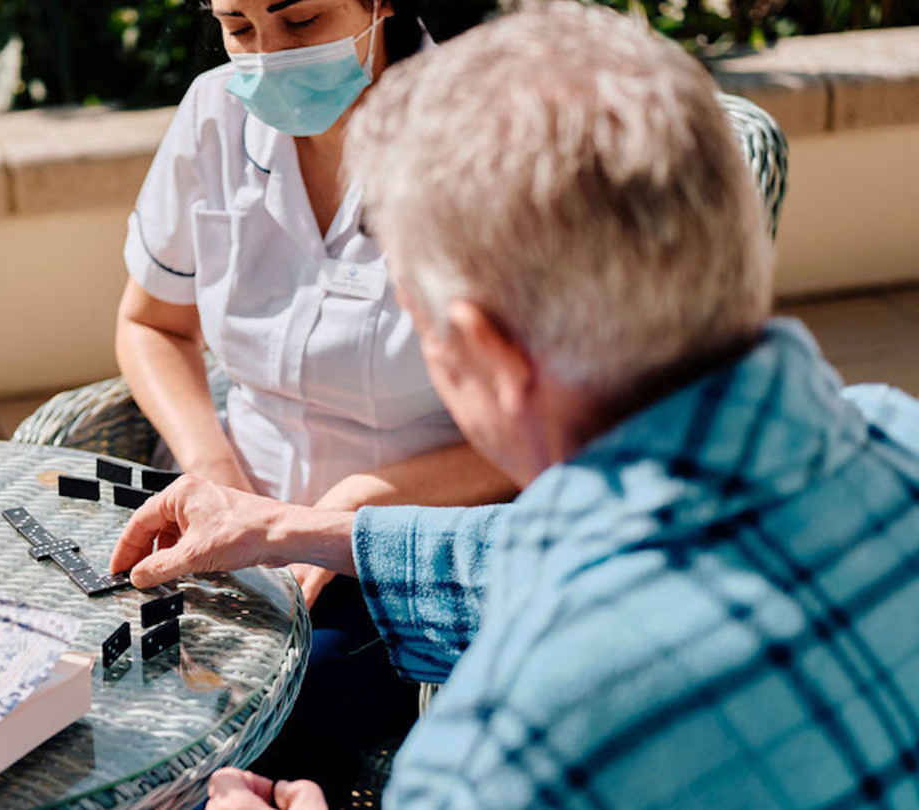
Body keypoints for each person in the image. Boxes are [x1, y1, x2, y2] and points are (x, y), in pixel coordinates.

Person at [109, 3, 919, 808]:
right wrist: (300, 528)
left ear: (486, 354)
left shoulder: (493, 759)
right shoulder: (896, 429)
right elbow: (529, 549)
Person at [116, 0, 514, 795]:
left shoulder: (489, 146)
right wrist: (215, 470)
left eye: (299, 21)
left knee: (265, 711)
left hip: (396, 547)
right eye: (238, 28)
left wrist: (350, 507)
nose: (267, 58)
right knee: (108, 686)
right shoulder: (214, 116)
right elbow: (150, 323)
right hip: (233, 513)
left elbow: (550, 425)